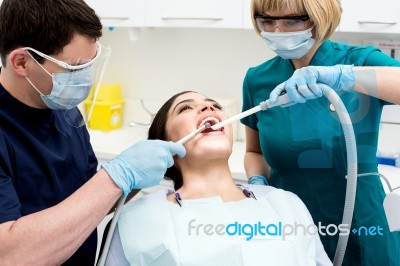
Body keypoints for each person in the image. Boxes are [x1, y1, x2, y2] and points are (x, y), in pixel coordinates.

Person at [0, 0, 184, 265]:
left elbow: (88, 205)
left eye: (90, 63)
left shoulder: (64, 109)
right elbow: (9, 255)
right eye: (74, 67)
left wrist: (132, 179)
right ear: (21, 62)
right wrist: (117, 175)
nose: (84, 78)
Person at [241, 0, 400, 265]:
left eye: (291, 21)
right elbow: (253, 151)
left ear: (319, 18)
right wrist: (257, 183)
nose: (277, 31)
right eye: (267, 22)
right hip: (291, 222)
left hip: (360, 221)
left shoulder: (359, 61)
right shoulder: (258, 79)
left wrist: (345, 76)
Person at [101, 91, 333, 266]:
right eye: (185, 109)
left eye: (214, 105)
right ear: (165, 144)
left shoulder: (286, 204)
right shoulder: (136, 219)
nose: (207, 108)